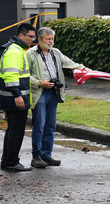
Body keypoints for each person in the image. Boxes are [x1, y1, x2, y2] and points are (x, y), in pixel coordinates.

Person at [27, 26, 86, 168]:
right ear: (39, 39)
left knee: (51, 125)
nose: (51, 41)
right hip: (39, 92)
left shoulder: (56, 52)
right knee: (39, 125)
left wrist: (83, 68)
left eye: (52, 38)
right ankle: (36, 156)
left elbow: (69, 62)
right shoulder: (30, 54)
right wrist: (39, 83)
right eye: (48, 39)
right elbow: (23, 75)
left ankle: (47, 155)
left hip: (54, 92)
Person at [0, 23, 36, 172]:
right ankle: (11, 162)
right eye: (30, 36)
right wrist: (17, 95)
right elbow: (11, 75)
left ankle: (8, 161)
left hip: (12, 96)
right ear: (21, 35)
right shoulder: (15, 51)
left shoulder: (14, 48)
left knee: (12, 130)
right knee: (16, 131)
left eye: (34, 37)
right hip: (15, 97)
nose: (33, 39)